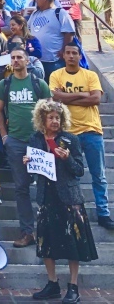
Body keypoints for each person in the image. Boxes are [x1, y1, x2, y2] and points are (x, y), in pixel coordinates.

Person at [26, 100, 98, 303]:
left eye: (58, 117)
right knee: (45, 241)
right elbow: (33, 171)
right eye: (51, 117)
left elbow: (79, 170)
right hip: (46, 196)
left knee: (73, 242)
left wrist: (67, 158)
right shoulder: (35, 139)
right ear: (42, 119)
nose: (55, 121)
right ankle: (52, 283)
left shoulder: (70, 139)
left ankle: (73, 286)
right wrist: (28, 163)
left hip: (69, 198)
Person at [49, 42, 114, 230]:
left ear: (79, 56)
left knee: (99, 175)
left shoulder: (90, 75)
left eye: (74, 53)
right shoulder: (56, 75)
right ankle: (74, 212)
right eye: (68, 53)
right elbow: (55, 97)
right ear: (63, 55)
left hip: (91, 130)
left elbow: (96, 99)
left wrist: (66, 97)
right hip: (68, 132)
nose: (71, 56)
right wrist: (82, 95)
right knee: (70, 176)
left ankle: (103, 213)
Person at [0, 47, 51, 248]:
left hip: (38, 141)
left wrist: (48, 138)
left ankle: (47, 231)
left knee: (45, 186)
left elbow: (50, 112)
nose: (16, 60)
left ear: (28, 61)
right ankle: (27, 232)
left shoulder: (39, 84)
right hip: (16, 141)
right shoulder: (5, 84)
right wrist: (4, 136)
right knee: (21, 188)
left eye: (20, 57)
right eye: (13, 58)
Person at [28, 0, 76, 80]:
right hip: (37, 61)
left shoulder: (60, 13)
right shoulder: (35, 14)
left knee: (56, 88)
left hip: (55, 61)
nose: (35, 0)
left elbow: (69, 33)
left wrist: (64, 50)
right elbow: (28, 31)